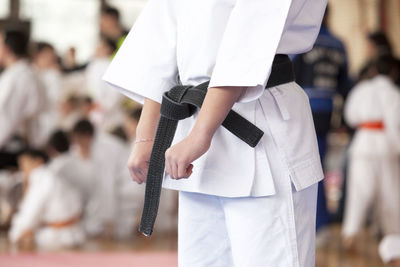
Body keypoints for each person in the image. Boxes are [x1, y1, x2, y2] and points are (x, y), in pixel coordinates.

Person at [103, 1, 327, 266]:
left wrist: (201, 133)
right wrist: (147, 134)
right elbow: (161, 36)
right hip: (193, 131)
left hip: (259, 118)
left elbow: (251, 36)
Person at [292, 5, 350, 231]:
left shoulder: (300, 42)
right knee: (318, 167)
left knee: (298, 168)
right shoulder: (339, 45)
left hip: (302, 111)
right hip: (326, 112)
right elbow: (346, 84)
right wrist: (343, 118)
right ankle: (320, 222)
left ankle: (307, 222)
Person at [342, 56, 400, 249]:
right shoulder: (394, 93)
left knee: (358, 191)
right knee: (390, 193)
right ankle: (394, 237)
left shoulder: (361, 89)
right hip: (387, 146)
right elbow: (394, 123)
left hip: (363, 143)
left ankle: (350, 234)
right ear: (394, 72)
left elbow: (350, 117)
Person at [9, 149, 84, 250]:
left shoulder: (42, 178)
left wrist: (16, 234)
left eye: (24, 164)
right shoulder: (52, 176)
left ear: (38, 161)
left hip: (56, 238)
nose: (22, 169)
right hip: (72, 233)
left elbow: (31, 212)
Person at [0, 29, 46, 168]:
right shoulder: (27, 72)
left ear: (7, 49)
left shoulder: (16, 77)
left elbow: (6, 119)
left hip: (12, 150)